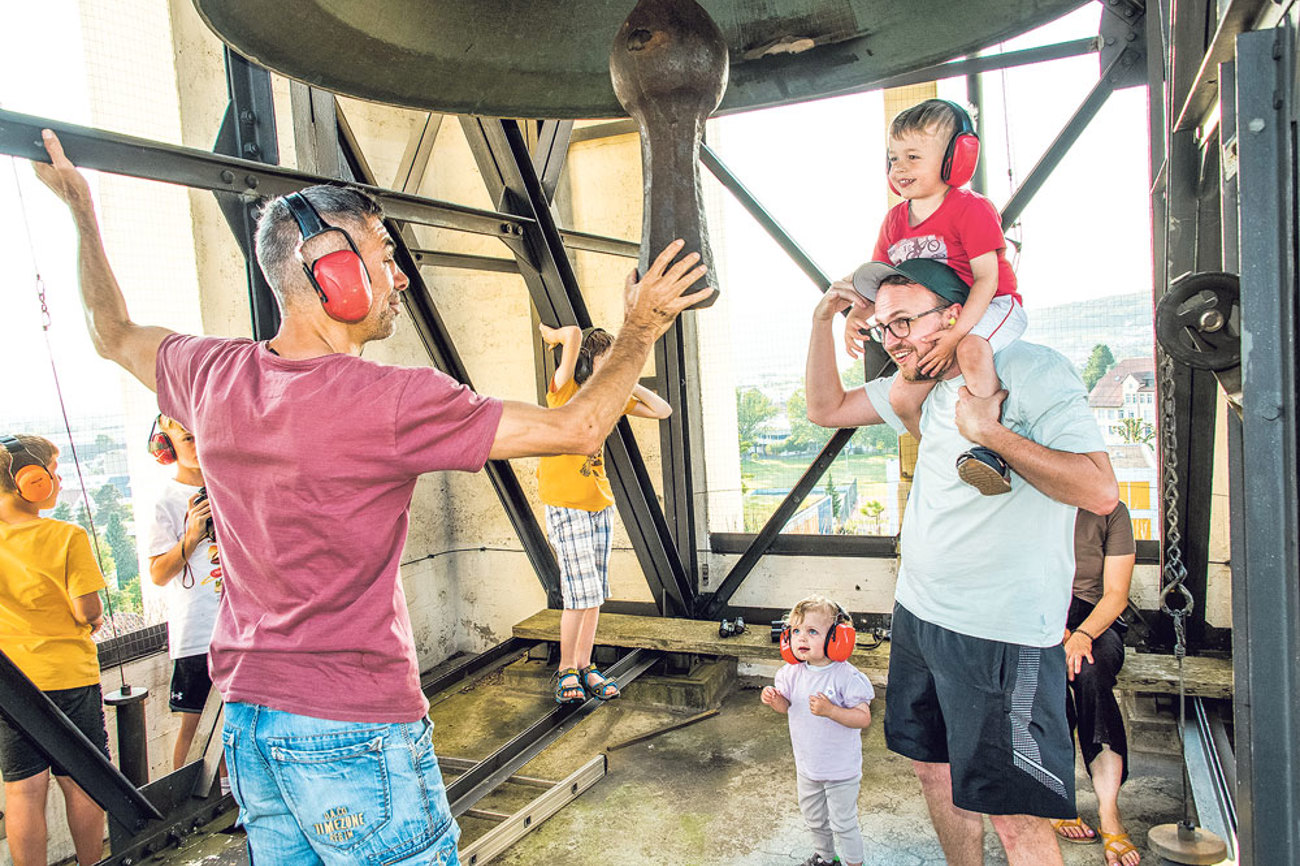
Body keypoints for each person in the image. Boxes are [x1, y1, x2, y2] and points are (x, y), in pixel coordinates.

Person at [32, 129, 709, 866]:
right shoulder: (389, 399)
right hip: (352, 726)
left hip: (253, 725)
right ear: (332, 271)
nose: (401, 279)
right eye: (386, 258)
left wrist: (80, 209)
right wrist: (642, 325)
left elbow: (110, 331)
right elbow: (579, 428)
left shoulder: (209, 375)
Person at [805, 256, 1118, 866]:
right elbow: (824, 408)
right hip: (922, 615)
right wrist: (822, 320)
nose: (891, 339)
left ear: (956, 315)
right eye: (882, 326)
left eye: (904, 323)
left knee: (1015, 812)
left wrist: (994, 434)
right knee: (934, 772)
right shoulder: (921, 381)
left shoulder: (1033, 369)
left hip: (1000, 633)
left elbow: (1100, 491)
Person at [845, 99, 1026, 496]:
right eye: (894, 158)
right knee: (900, 397)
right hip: (944, 316)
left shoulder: (971, 209)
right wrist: (854, 315)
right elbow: (880, 285)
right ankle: (938, 459)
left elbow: (986, 281)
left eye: (913, 156)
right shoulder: (894, 221)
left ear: (954, 160)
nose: (901, 167)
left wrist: (956, 336)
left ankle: (990, 450)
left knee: (974, 352)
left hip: (993, 304)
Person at [537, 324, 671, 703]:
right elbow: (575, 335)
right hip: (566, 503)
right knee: (578, 594)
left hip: (600, 502)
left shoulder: (613, 399)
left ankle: (584, 665)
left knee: (594, 594)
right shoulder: (566, 392)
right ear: (585, 364)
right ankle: (566, 669)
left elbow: (663, 410)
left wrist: (627, 379)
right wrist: (558, 336)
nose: (611, 366)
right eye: (605, 359)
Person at [0, 434, 109, 866]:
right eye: (53, 473)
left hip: (11, 686)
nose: (58, 481)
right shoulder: (66, 535)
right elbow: (87, 609)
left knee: (23, 789)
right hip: (69, 676)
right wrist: (92, 615)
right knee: (83, 782)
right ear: (32, 481)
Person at [1052, 502, 1140, 866]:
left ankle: (1109, 811)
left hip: (1096, 616)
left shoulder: (1111, 510)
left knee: (1091, 675)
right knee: (1048, 681)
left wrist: (1082, 634)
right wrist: (1051, 627)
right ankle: (1057, 798)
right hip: (1044, 613)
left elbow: (1116, 593)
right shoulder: (1037, 499)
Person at [761, 594, 874, 866]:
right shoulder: (790, 673)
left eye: (812, 631)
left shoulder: (847, 676)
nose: (801, 638)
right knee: (814, 819)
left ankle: (854, 863)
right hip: (807, 766)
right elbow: (787, 707)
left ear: (837, 638)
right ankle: (825, 858)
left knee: (844, 823)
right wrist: (777, 700)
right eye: (796, 631)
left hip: (841, 770)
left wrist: (831, 711)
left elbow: (863, 718)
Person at [144, 415, 223, 772]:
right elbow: (159, 573)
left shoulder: (230, 485)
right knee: (195, 727)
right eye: (190, 438)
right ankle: (188, 811)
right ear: (167, 446)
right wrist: (191, 537)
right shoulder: (166, 500)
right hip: (199, 631)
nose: (201, 444)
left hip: (246, 626)